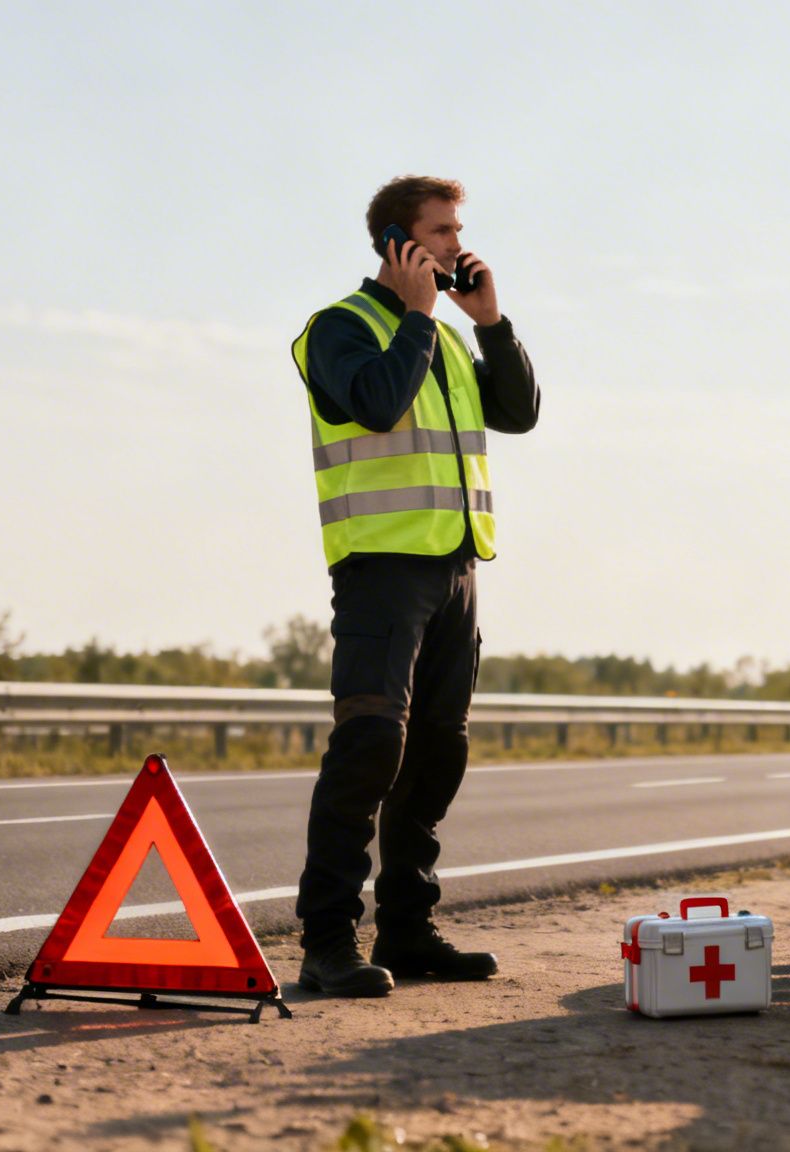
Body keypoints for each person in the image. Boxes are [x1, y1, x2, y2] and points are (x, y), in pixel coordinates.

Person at [289, 175, 539, 997]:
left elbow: (520, 410)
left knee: (438, 755)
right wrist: (417, 316)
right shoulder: (341, 329)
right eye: (439, 233)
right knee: (370, 750)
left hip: (456, 568)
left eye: (458, 231)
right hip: (381, 572)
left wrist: (490, 322)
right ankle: (328, 942)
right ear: (399, 246)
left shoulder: (449, 340)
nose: (456, 247)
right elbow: (378, 403)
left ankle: (409, 929)